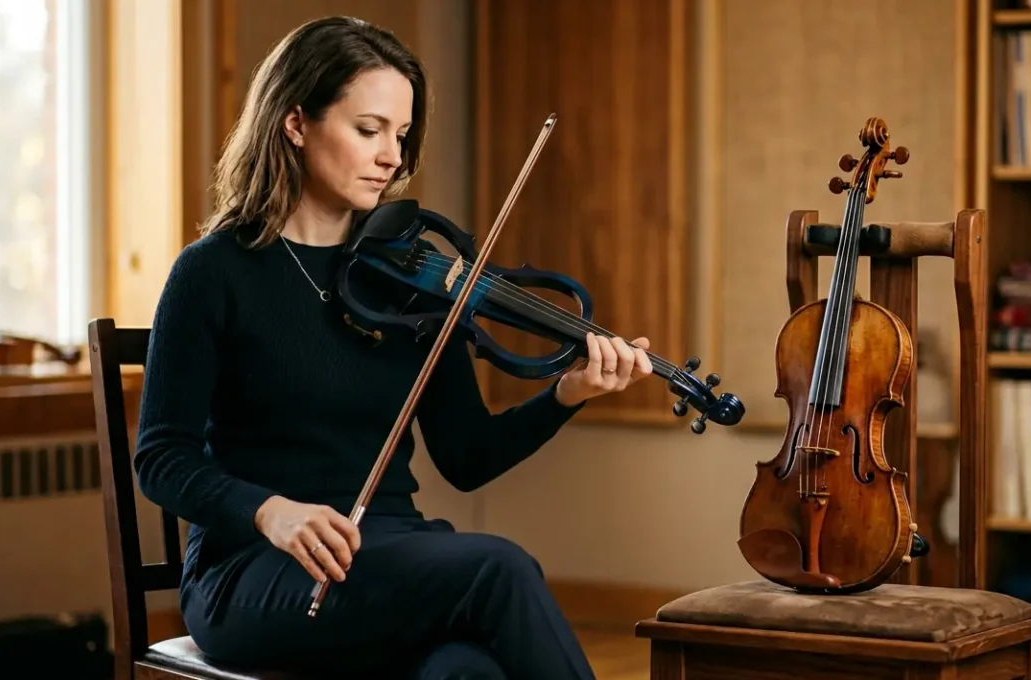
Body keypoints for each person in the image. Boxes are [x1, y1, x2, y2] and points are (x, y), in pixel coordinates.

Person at [133, 15, 654, 680]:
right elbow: (161, 457)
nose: (393, 157)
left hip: (390, 556)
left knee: (466, 674)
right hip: (253, 568)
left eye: (402, 136)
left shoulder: (411, 280)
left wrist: (566, 395)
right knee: (498, 568)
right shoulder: (213, 272)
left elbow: (467, 456)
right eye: (369, 130)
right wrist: (271, 512)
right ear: (296, 123)